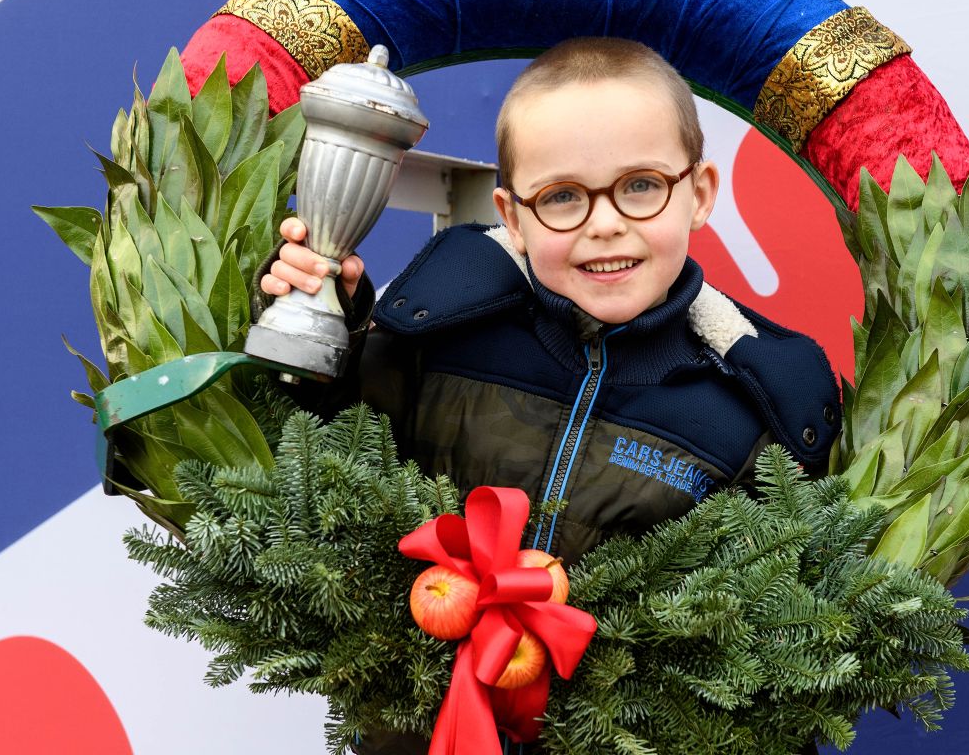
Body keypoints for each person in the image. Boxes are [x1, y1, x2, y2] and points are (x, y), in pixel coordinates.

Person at [261, 37, 838, 754]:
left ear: (698, 194)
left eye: (640, 185)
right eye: (561, 196)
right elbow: (325, 456)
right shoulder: (435, 332)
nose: (603, 222)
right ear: (513, 212)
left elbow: (776, 644)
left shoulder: (752, 408)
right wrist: (324, 320)